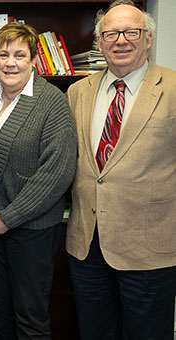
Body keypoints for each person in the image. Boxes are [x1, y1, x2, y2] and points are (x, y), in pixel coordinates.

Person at [66, 1, 176, 339]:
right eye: (111, 33)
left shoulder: (172, 89)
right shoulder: (77, 92)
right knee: (94, 332)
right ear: (99, 43)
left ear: (148, 38)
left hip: (150, 247)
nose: (121, 40)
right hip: (87, 245)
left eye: (132, 32)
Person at [0, 22, 77, 339]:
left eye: (20, 54)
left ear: (33, 59)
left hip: (30, 230)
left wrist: (9, 217)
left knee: (30, 317)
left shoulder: (51, 102)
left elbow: (57, 171)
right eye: (3, 54)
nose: (10, 62)